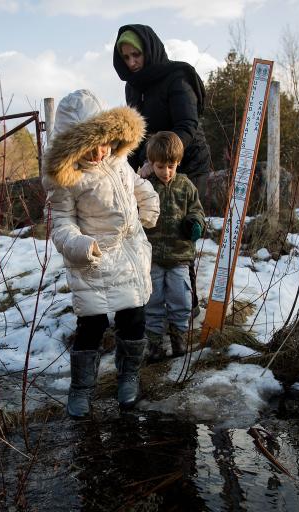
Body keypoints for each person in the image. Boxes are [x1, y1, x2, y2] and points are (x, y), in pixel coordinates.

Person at [42, 89, 160, 418]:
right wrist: (81, 246)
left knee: (133, 318)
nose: (98, 153)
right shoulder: (67, 179)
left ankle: (128, 377)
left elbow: (135, 183)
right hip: (93, 261)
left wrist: (149, 201)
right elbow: (60, 223)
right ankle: (81, 388)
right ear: (72, 146)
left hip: (130, 255)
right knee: (91, 325)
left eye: (103, 143)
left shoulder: (118, 160)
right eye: (88, 147)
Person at [113, 24, 213, 313]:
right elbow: (137, 129)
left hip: (186, 162)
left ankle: (185, 304)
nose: (132, 63)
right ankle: (153, 297)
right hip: (151, 163)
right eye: (126, 57)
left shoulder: (177, 78)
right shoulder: (134, 85)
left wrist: (163, 158)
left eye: (136, 55)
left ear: (149, 50)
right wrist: (127, 166)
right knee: (151, 228)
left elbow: (187, 126)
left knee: (179, 228)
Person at [142, 131, 205, 361]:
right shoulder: (145, 186)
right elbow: (131, 204)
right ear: (151, 163)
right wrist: (141, 174)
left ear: (178, 163)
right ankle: (155, 343)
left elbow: (197, 210)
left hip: (180, 256)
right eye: (160, 166)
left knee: (182, 299)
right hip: (152, 258)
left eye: (171, 166)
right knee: (153, 301)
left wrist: (195, 223)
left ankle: (179, 337)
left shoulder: (186, 186)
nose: (166, 172)